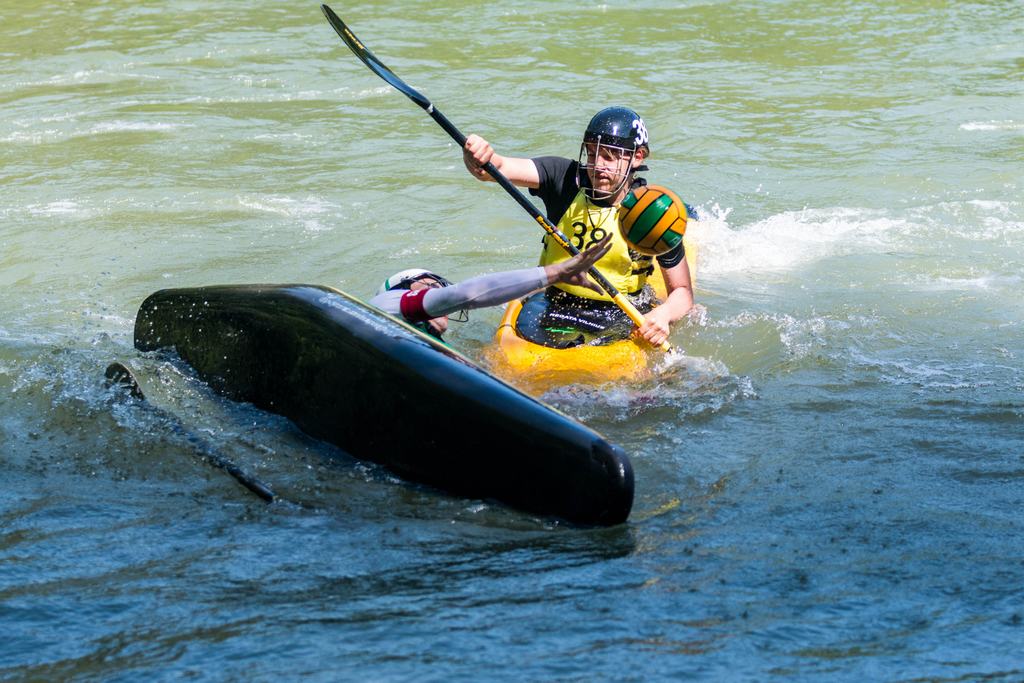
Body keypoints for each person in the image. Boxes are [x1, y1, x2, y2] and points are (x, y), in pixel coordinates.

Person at [462, 106, 695, 348]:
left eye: (609, 156)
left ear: (637, 157)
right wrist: (479, 155)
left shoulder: (651, 211)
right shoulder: (564, 178)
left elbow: (682, 293)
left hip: (620, 313)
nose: (597, 165)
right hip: (554, 301)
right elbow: (495, 169)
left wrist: (663, 315)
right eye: (592, 154)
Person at [370, 236, 612, 339]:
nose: (437, 291)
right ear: (402, 287)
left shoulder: (438, 348)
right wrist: (556, 272)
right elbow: (465, 294)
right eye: (431, 285)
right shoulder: (385, 305)